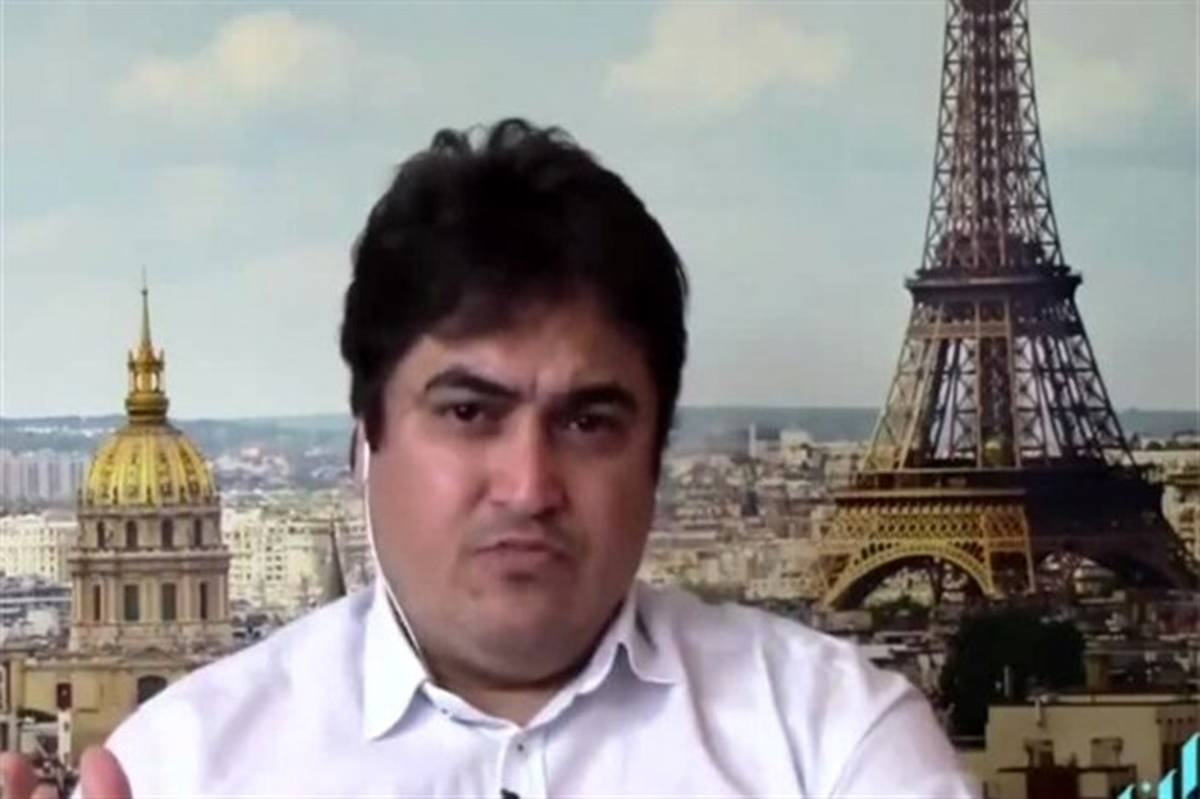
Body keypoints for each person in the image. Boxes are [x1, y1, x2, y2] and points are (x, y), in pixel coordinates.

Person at [1, 119, 980, 798]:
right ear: (363, 438)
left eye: (589, 422)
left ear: (657, 455)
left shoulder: (836, 738)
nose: (528, 484)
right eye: (469, 411)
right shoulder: (166, 768)